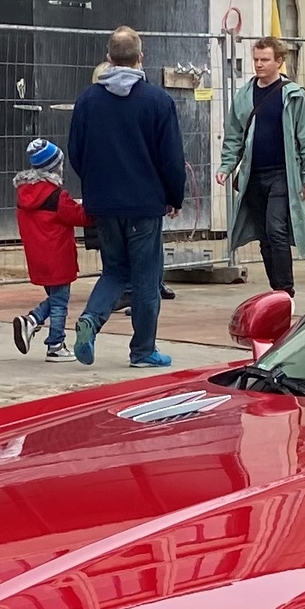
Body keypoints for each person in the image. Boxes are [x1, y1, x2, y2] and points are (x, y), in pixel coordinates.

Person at [67, 27, 186, 368]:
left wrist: (94, 185)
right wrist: (173, 196)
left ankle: (91, 318)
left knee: (115, 271)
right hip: (145, 203)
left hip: (104, 202)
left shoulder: (88, 100)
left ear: (108, 58)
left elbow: (76, 152)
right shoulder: (158, 101)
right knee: (147, 278)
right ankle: (143, 350)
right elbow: (171, 158)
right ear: (140, 58)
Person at [217, 37, 305, 295]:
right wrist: (227, 166)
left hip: (283, 174)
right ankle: (276, 289)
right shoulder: (244, 95)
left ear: (279, 62)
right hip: (253, 175)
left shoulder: (293, 95)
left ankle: (286, 289)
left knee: (276, 229)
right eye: (256, 60)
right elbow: (234, 135)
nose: (259, 65)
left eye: (265, 60)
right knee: (264, 235)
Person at [11, 139, 89, 359]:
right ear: (56, 166)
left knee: (56, 298)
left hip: (37, 256)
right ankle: (55, 344)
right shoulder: (57, 196)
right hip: (58, 255)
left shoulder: (25, 193)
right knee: (60, 302)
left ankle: (32, 321)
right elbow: (81, 217)